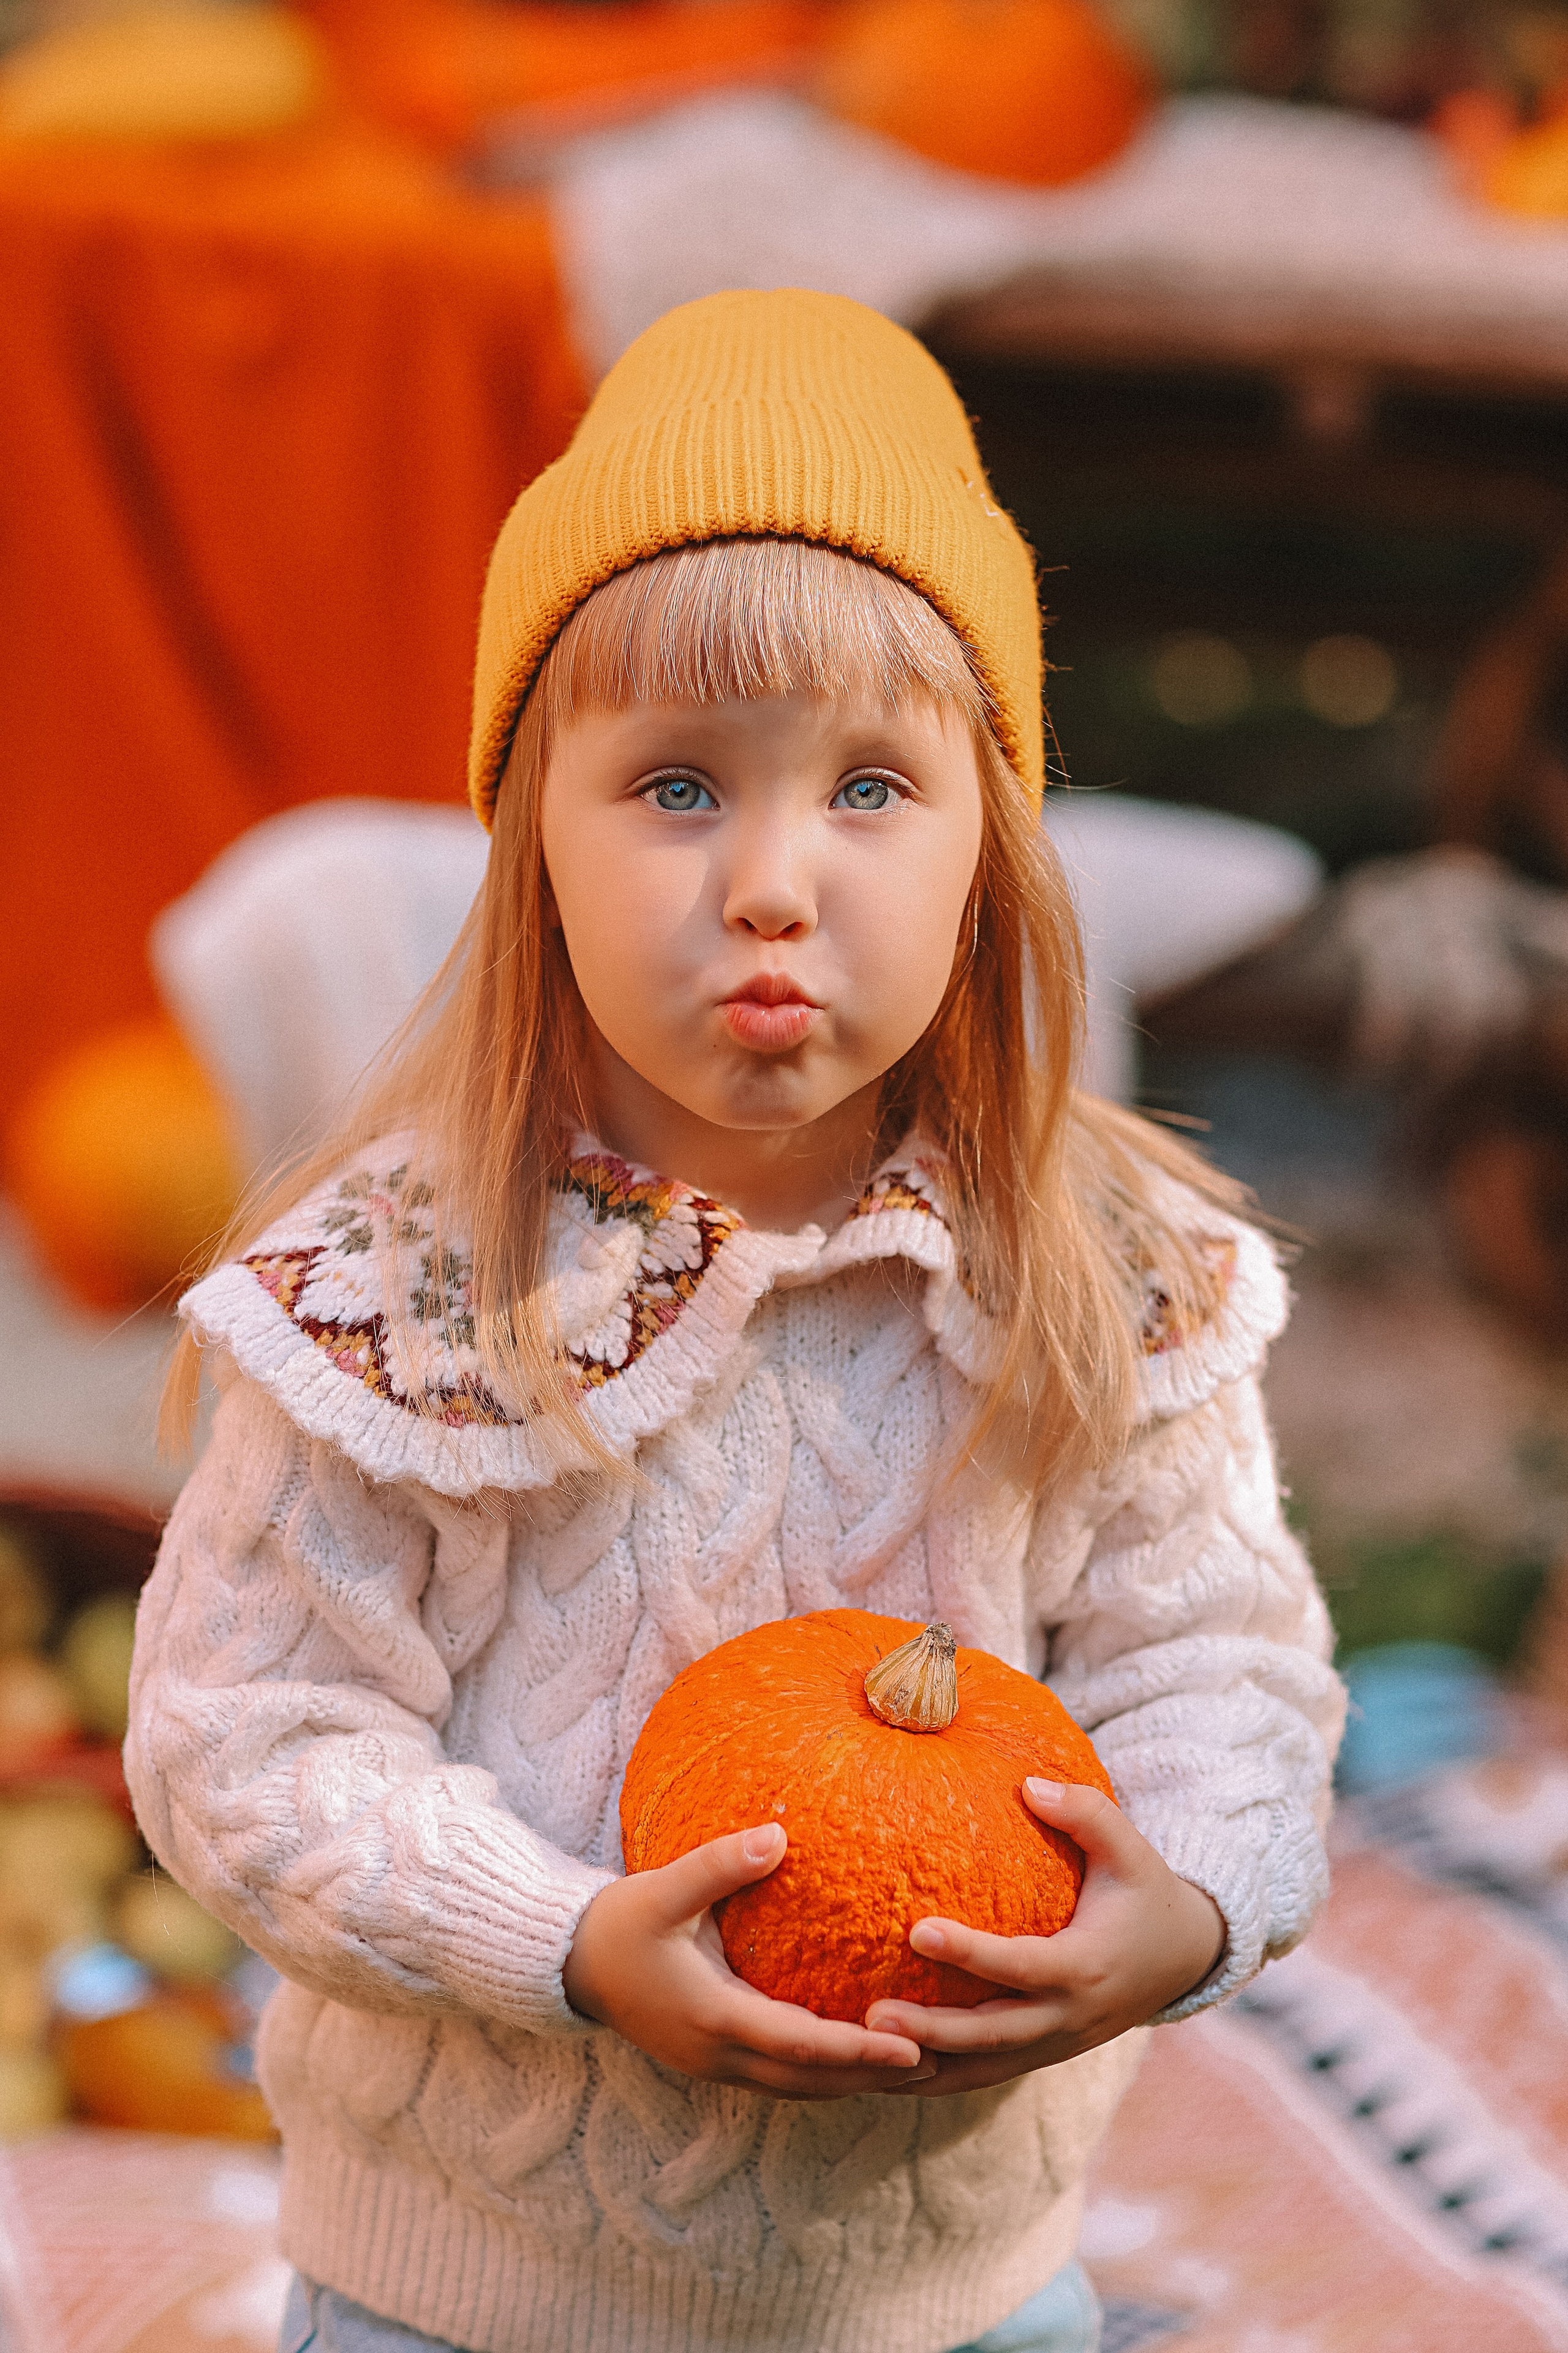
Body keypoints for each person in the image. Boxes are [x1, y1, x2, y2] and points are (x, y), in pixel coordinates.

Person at [125, 289, 1343, 2353]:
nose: (774, 878)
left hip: (951, 2289)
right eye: (679, 788)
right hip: (477, 2288)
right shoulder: (414, 1285)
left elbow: (1217, 1657)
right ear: (535, 845)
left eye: (871, 789)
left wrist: (1192, 1897)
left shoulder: (1099, 1268)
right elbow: (248, 1739)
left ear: (989, 852)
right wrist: (569, 1941)